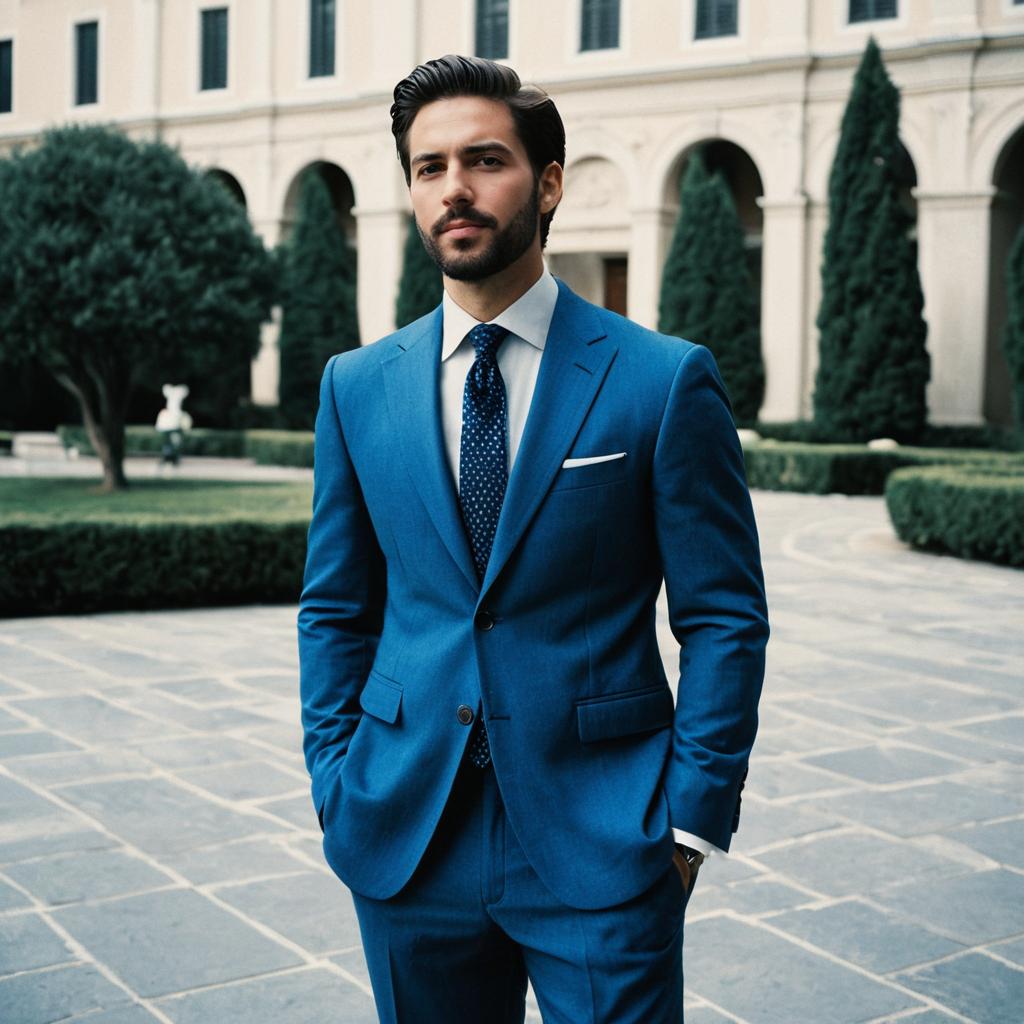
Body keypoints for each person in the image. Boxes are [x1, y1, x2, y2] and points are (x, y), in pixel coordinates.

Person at [299, 54, 769, 1024]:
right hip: (406, 830)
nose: (454, 189)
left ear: (548, 181)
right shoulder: (356, 387)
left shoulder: (660, 380)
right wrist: (335, 777)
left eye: (483, 159)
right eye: (428, 167)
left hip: (604, 835)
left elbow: (724, 614)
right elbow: (336, 606)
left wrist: (688, 821)